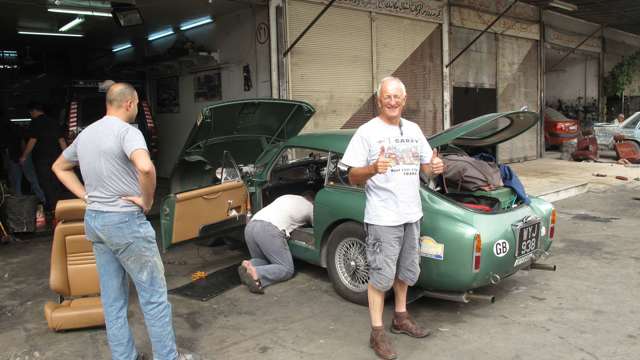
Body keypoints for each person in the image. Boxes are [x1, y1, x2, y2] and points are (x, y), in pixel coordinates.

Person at [52, 83, 193, 360]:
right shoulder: (129, 133)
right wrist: (147, 200)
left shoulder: (87, 134)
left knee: (113, 300)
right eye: (138, 104)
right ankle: (168, 357)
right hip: (125, 223)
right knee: (153, 297)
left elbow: (59, 167)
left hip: (96, 221)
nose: (137, 108)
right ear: (129, 103)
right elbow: (145, 166)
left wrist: (86, 196)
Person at [340, 76, 444, 360]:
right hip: (383, 217)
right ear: (379, 100)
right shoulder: (366, 132)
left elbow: (427, 168)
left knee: (407, 271)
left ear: (404, 100)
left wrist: (435, 166)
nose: (393, 100)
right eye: (388, 95)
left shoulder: (413, 129)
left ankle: (400, 317)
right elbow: (350, 175)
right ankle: (377, 332)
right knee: (381, 276)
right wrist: (373, 168)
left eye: (398, 96)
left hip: (412, 214)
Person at [238, 192, 314, 294]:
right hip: (268, 230)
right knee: (286, 269)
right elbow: (318, 227)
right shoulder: (310, 207)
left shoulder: (286, 196)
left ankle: (249, 265)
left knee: (264, 260)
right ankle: (257, 273)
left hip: (251, 226)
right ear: (312, 201)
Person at [20, 101, 66, 213]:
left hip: (42, 158)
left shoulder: (35, 122)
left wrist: (24, 156)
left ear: (34, 111)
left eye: (30, 112)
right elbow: (61, 140)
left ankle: (51, 207)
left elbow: (32, 141)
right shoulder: (54, 122)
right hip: (56, 157)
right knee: (56, 181)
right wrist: (66, 155)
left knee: (45, 182)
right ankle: (59, 205)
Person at [0, 116, 46, 203]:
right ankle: (42, 199)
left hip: (15, 155)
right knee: (32, 178)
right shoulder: (14, 127)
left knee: (16, 180)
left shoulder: (5, 129)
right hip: (22, 153)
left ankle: (18, 203)